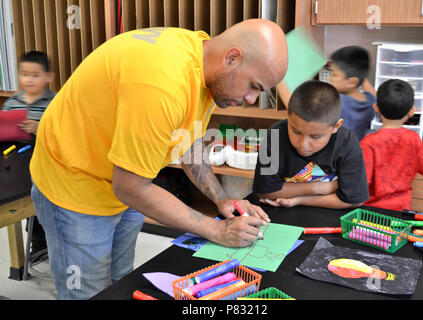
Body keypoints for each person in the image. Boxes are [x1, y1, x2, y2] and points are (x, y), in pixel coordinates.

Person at [29, 19, 288, 299]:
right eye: (254, 86)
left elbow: (188, 141)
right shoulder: (162, 86)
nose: (251, 98)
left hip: (123, 177)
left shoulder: (206, 64)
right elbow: (129, 187)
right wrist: (216, 229)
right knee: (88, 293)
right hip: (74, 183)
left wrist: (221, 199)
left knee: (121, 281)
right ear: (232, 58)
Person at [254, 80, 369, 209]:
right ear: (288, 116)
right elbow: (265, 191)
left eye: (316, 136)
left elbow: (354, 200)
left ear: (336, 126)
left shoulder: (347, 142)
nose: (303, 144)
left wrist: (299, 200)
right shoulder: (275, 135)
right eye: (296, 131)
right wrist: (321, 188)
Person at [2, 50, 55, 259]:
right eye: (25, 74)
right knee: (23, 203)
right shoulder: (12, 102)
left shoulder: (55, 103)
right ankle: (37, 244)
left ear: (48, 77)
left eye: (36, 75)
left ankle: (44, 243)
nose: (29, 79)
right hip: (18, 161)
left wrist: (38, 128)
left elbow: (63, 134)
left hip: (46, 161)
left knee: (43, 203)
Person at [360, 79, 423, 211]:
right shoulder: (414, 139)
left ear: (376, 108)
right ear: (412, 111)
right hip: (402, 210)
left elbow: (362, 182)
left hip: (372, 213)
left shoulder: (368, 143)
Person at [328, 46, 377, 140]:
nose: (329, 78)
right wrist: (361, 75)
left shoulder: (338, 101)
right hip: (357, 151)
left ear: (351, 82)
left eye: (334, 74)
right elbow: (373, 95)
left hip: (337, 153)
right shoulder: (370, 102)